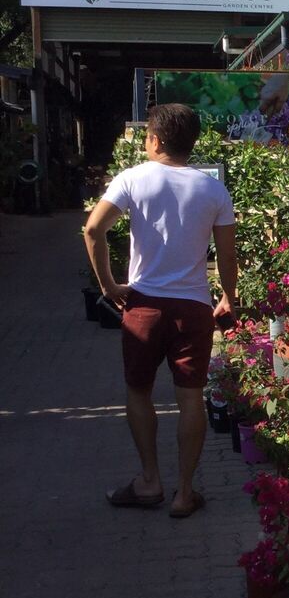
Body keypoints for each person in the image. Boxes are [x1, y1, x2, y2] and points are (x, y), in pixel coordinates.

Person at [84, 104, 237, 518]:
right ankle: (184, 493)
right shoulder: (213, 190)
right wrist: (228, 296)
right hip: (194, 308)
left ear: (154, 140)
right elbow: (227, 255)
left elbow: (94, 229)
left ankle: (150, 481)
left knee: (139, 392)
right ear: (192, 142)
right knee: (190, 398)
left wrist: (108, 285)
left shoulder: (132, 179)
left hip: (144, 307)